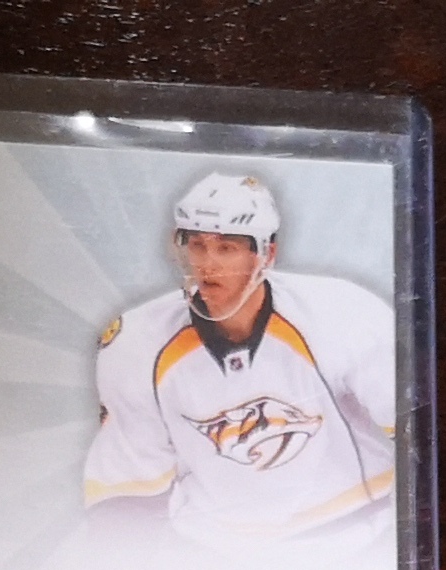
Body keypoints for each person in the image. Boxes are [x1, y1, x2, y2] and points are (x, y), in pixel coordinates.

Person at [83, 171, 395, 542]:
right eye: (197, 245)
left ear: (266, 254)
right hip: (220, 549)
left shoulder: (340, 313)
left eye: (226, 248)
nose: (207, 264)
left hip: (357, 528)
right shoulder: (139, 342)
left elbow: (419, 432)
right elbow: (127, 492)